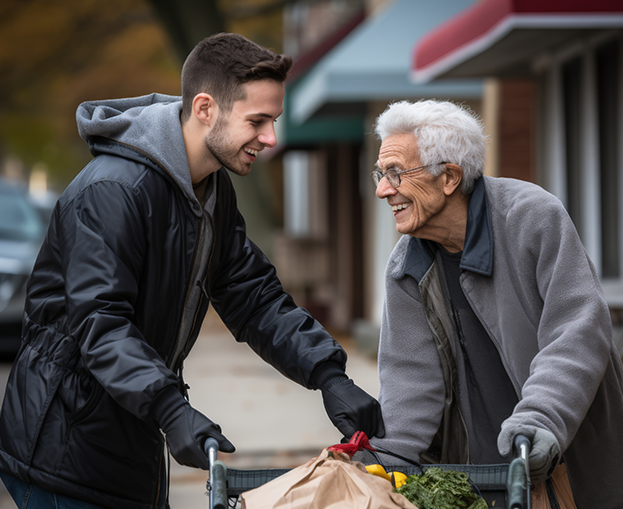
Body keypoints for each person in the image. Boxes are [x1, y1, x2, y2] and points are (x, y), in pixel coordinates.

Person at [0, 33, 384, 509]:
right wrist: (170, 408)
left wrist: (328, 375)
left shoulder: (211, 192)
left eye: (274, 121)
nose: (271, 138)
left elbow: (254, 298)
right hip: (63, 452)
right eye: (258, 121)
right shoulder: (114, 192)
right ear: (205, 108)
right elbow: (100, 324)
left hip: (130, 444)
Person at [367, 99, 623, 509]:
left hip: (568, 461)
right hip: (480, 477)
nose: (383, 189)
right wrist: (383, 458)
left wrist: (542, 418)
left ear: (449, 177)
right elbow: (410, 382)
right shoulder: (405, 266)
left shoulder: (531, 218)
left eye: (396, 173)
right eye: (381, 174)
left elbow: (577, 331)